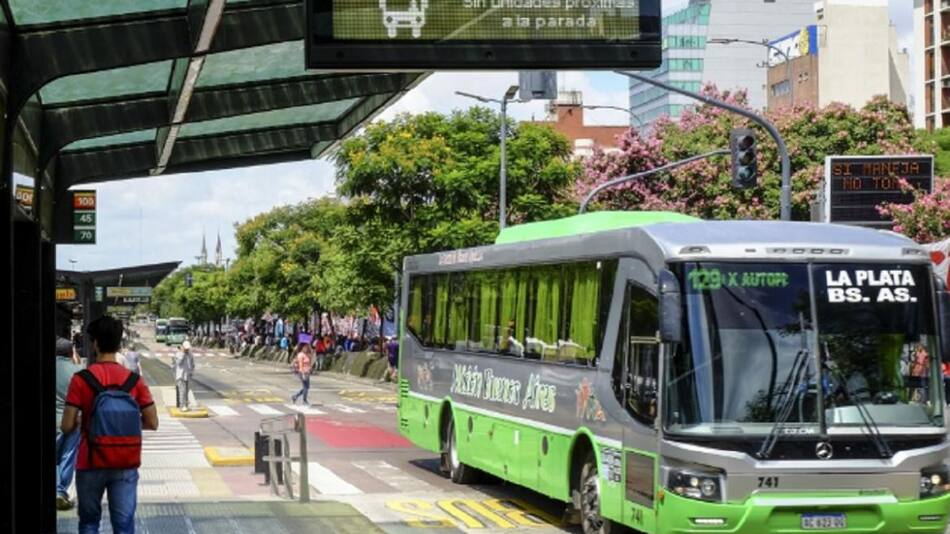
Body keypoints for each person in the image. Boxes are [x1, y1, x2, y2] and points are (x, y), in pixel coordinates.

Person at [61, 316, 158, 534]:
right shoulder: (134, 381)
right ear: (118, 342)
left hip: (90, 461)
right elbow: (152, 422)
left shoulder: (81, 380)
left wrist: (86, 421)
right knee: (124, 526)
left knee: (89, 523)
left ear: (94, 343)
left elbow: (66, 426)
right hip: (125, 461)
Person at [55, 337, 84, 511]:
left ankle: (56, 490)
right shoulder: (78, 371)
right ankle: (60, 491)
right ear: (70, 352)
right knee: (67, 457)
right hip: (72, 421)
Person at [173, 341, 195, 411]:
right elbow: (178, 363)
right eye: (186, 348)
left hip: (187, 375)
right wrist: (182, 354)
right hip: (180, 376)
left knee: (186, 391)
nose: (187, 350)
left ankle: (185, 404)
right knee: (182, 391)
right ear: (183, 347)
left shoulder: (190, 354)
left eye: (188, 349)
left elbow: (192, 364)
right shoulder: (178, 354)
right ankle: (182, 406)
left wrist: (191, 372)